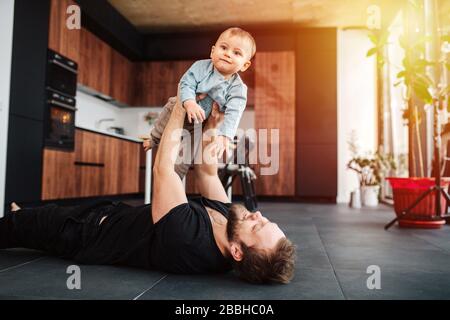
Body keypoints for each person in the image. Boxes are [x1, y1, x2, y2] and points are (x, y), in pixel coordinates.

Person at [0, 91, 296, 284]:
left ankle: (22, 219)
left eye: (257, 227)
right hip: (108, 214)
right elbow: (206, 172)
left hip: (83, 234)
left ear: (237, 252)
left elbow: (163, 168)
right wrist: (214, 127)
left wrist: (182, 106)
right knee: (39, 215)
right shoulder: (230, 220)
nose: (257, 215)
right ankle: (26, 214)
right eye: (265, 220)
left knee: (14, 227)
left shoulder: (189, 240)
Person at [143, 27, 256, 179]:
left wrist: (225, 136)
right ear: (212, 51)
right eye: (224, 47)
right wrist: (189, 103)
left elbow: (234, 113)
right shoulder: (201, 67)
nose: (228, 54)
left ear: (244, 65)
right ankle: (153, 139)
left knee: (186, 155)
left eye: (236, 53)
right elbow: (186, 83)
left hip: (198, 124)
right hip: (181, 107)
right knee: (164, 119)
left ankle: (176, 179)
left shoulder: (238, 89)